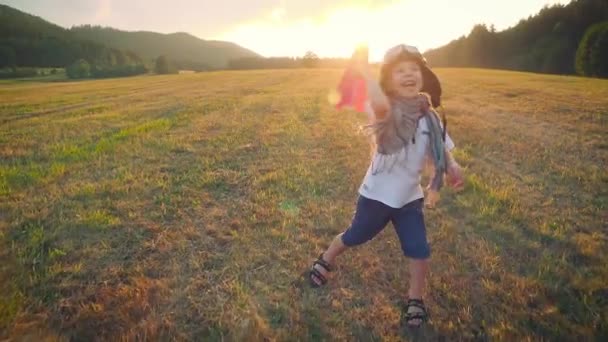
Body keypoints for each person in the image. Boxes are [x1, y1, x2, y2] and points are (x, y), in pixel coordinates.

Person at [309, 44, 464, 328]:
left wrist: (451, 165)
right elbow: (379, 103)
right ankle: (327, 256)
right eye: (400, 71)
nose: (408, 74)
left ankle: (415, 298)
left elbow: (441, 147)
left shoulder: (428, 116)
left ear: (423, 76)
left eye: (413, 70)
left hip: (409, 199)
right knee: (355, 236)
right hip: (376, 198)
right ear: (389, 81)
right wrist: (366, 73)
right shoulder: (385, 110)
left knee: (419, 249)